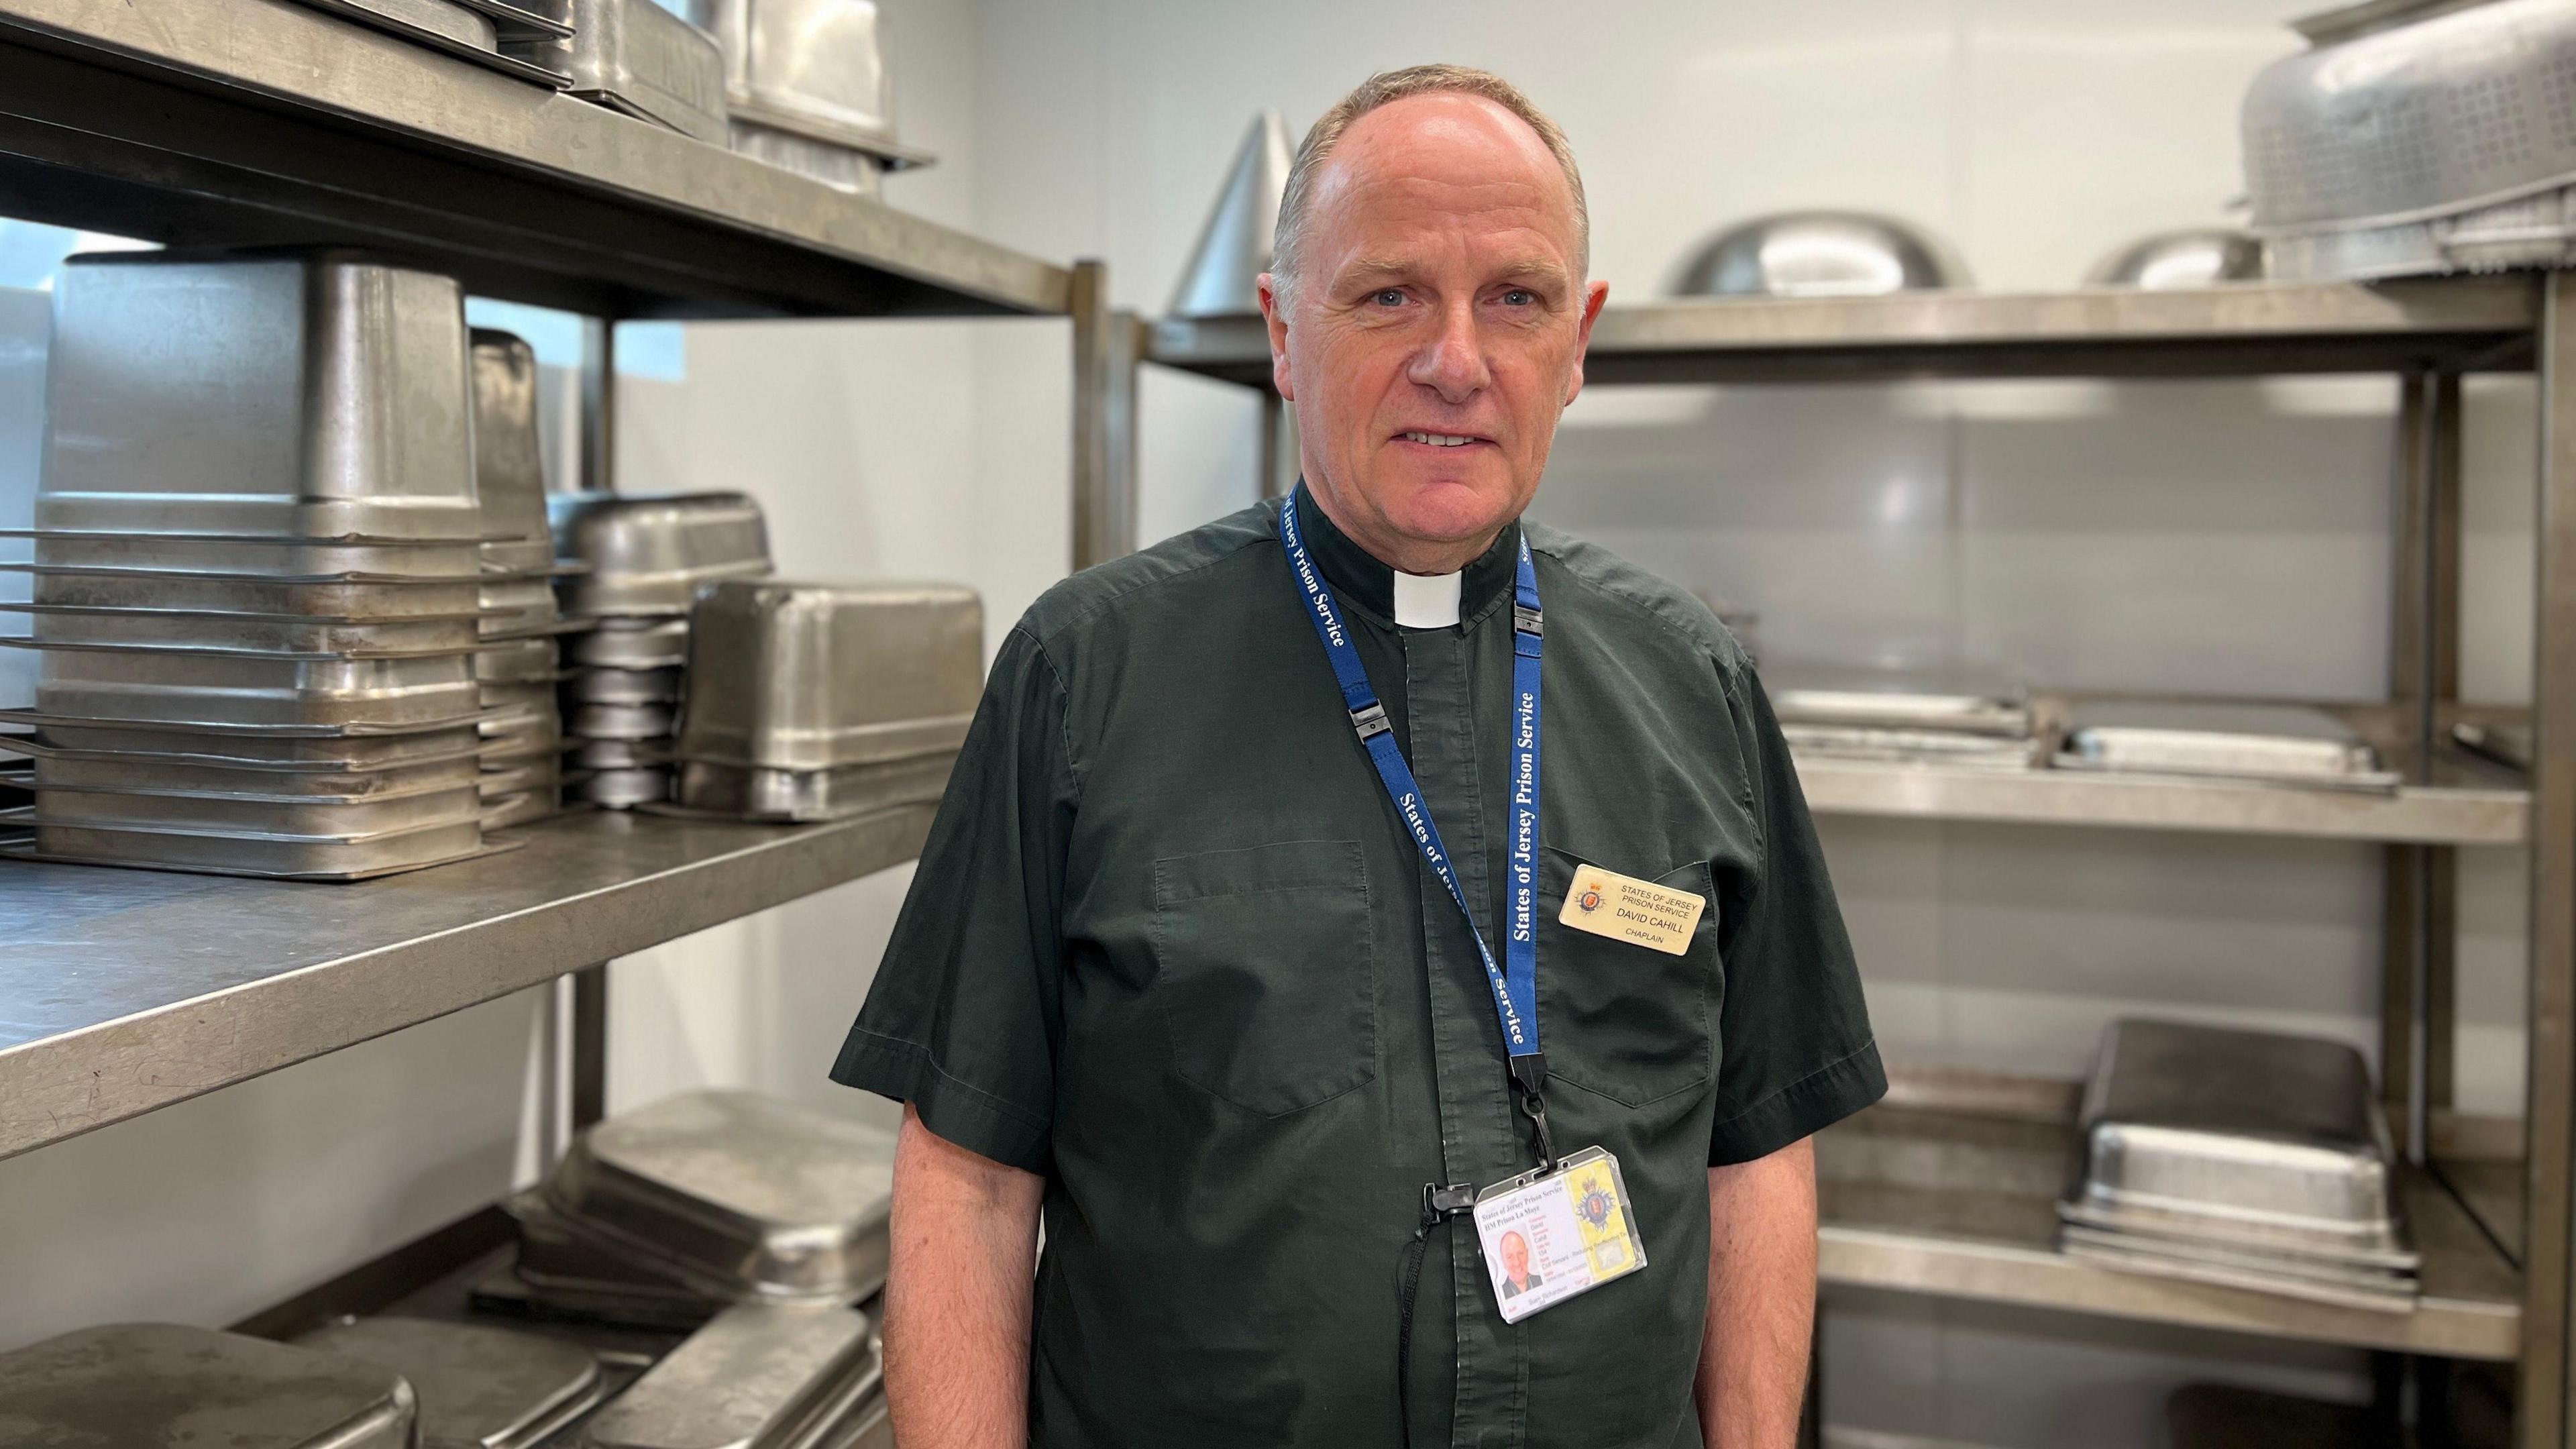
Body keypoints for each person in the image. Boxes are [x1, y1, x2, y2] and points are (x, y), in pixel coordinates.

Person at [832, 62, 1883, 1449]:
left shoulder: (1689, 683)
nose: (1457, 358)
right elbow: (966, 1178)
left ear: (1580, 342)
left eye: (1516, 298)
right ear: (1282, 330)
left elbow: (1757, 1151)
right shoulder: (1085, 675)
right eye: (1388, 293)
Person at [1498, 1231, 1542, 1299]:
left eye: (1520, 1254)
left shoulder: (1541, 1281)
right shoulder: (1500, 1295)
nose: (1517, 1263)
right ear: (1503, 1261)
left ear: (1527, 1254)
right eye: (1510, 1257)